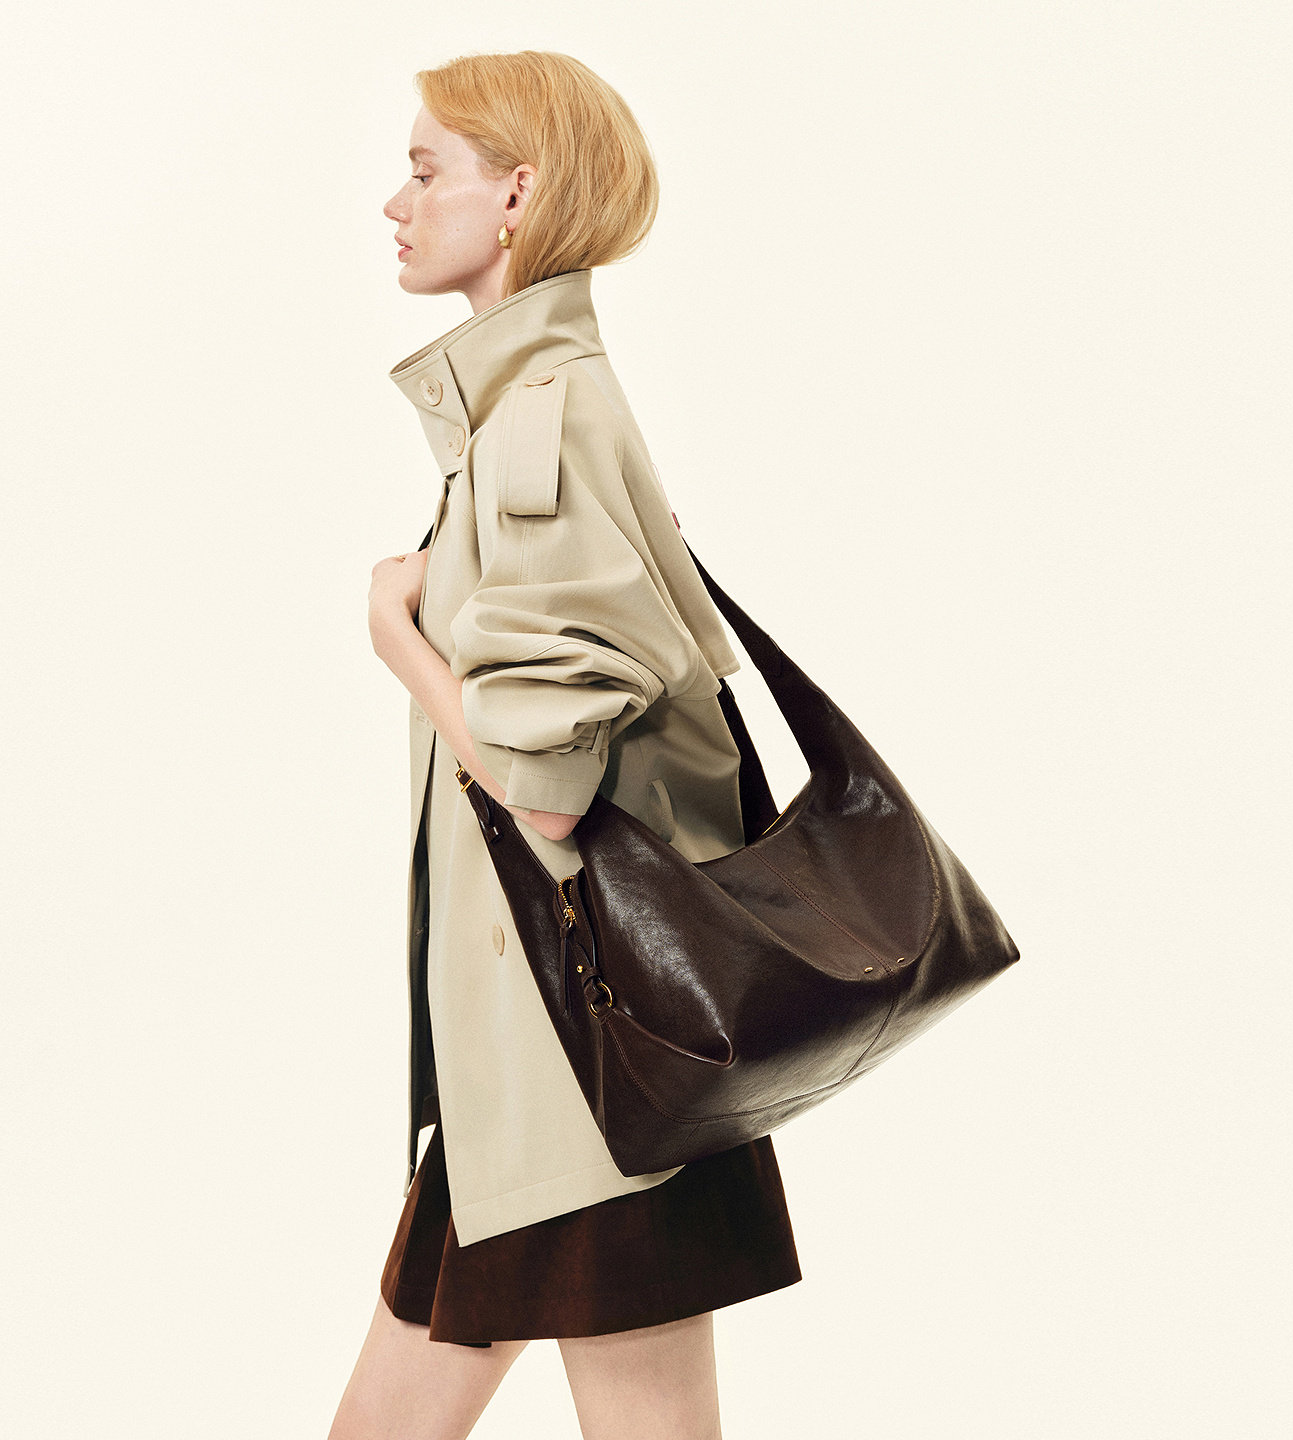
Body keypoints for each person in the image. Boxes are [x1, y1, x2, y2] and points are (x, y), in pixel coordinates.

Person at [329, 51, 801, 1440]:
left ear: (518, 195)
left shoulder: (541, 421)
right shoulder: (524, 413)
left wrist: (398, 637)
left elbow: (544, 799)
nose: (396, 203)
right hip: (554, 1071)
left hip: (581, 1073)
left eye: (426, 170)